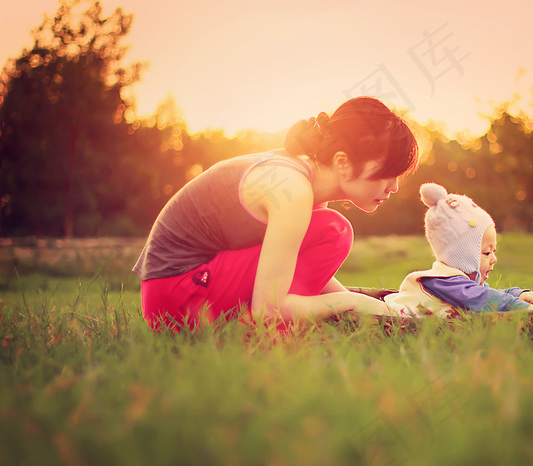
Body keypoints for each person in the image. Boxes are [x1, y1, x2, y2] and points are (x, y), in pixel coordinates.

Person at [133, 97, 420, 333]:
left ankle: (286, 327)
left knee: (329, 230)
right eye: (387, 172)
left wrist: (377, 306)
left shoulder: (307, 181)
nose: (394, 186)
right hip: (180, 301)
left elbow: (298, 271)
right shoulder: (293, 190)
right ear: (342, 162)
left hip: (177, 292)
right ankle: (257, 335)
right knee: (335, 231)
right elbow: (267, 310)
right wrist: (353, 304)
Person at [384, 183, 533, 318]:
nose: (494, 259)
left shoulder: (465, 283)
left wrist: (517, 295)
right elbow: (482, 297)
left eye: (494, 251)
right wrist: (518, 306)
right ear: (463, 257)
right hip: (391, 316)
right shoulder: (445, 281)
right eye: (486, 253)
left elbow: (489, 292)